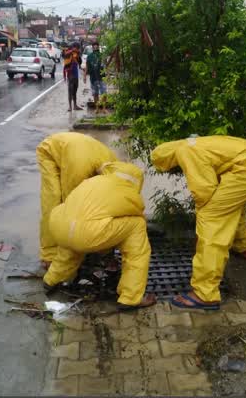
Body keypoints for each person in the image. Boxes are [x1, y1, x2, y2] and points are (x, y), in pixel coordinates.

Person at [151, 135, 246, 310]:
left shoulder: (185, 151)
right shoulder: (195, 142)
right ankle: (244, 247)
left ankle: (205, 294)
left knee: (212, 217)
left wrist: (203, 211)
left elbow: (203, 192)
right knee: (230, 207)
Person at [43, 162, 156, 309]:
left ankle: (51, 279)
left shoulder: (92, 181)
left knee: (75, 227)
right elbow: (135, 215)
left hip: (58, 227)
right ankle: (131, 297)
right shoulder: (129, 193)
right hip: (87, 235)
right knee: (137, 224)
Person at [36, 132, 118, 268]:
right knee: (54, 200)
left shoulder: (115, 165)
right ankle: (49, 254)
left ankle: (100, 250)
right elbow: (71, 202)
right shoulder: (80, 169)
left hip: (75, 149)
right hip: (50, 150)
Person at [63, 42, 83, 111]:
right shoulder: (69, 53)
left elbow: (80, 62)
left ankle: (75, 106)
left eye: (77, 48)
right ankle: (70, 107)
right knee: (70, 90)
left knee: (75, 91)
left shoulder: (77, 55)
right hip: (70, 75)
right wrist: (72, 51)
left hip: (76, 75)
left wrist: (78, 55)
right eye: (76, 47)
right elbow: (65, 56)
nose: (77, 49)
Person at [87, 41, 106, 113]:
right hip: (93, 78)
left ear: (98, 47)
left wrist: (108, 74)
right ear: (92, 47)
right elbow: (87, 66)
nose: (95, 47)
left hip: (102, 77)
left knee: (104, 93)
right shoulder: (89, 56)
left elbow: (105, 65)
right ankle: (97, 108)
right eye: (94, 46)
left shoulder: (102, 55)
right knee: (95, 93)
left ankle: (104, 108)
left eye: (96, 46)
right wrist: (85, 76)